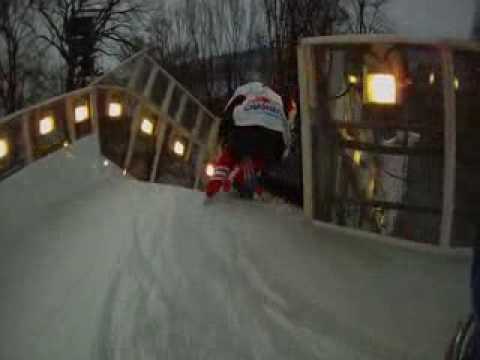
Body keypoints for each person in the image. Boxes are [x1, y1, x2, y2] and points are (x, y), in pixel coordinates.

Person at [205, 82, 293, 199]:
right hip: (274, 133)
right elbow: (286, 129)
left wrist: (224, 136)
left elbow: (229, 112)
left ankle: (218, 180)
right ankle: (245, 179)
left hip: (247, 123)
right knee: (261, 156)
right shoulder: (276, 99)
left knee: (232, 152)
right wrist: (282, 151)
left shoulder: (243, 91)